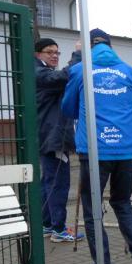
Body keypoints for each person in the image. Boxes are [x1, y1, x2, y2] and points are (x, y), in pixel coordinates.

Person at [61, 28, 132, 264]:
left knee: (92, 211)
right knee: (122, 202)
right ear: (111, 47)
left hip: (95, 150)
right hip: (127, 150)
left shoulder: (80, 70)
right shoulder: (129, 71)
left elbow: (67, 108)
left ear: (87, 48)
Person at [33, 37, 84, 243]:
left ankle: (47, 225)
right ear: (38, 54)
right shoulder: (39, 73)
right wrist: (78, 54)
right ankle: (59, 229)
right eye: (49, 52)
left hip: (48, 136)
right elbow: (64, 76)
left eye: (57, 52)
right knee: (58, 183)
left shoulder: (40, 71)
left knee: (48, 182)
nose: (54, 56)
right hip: (53, 138)